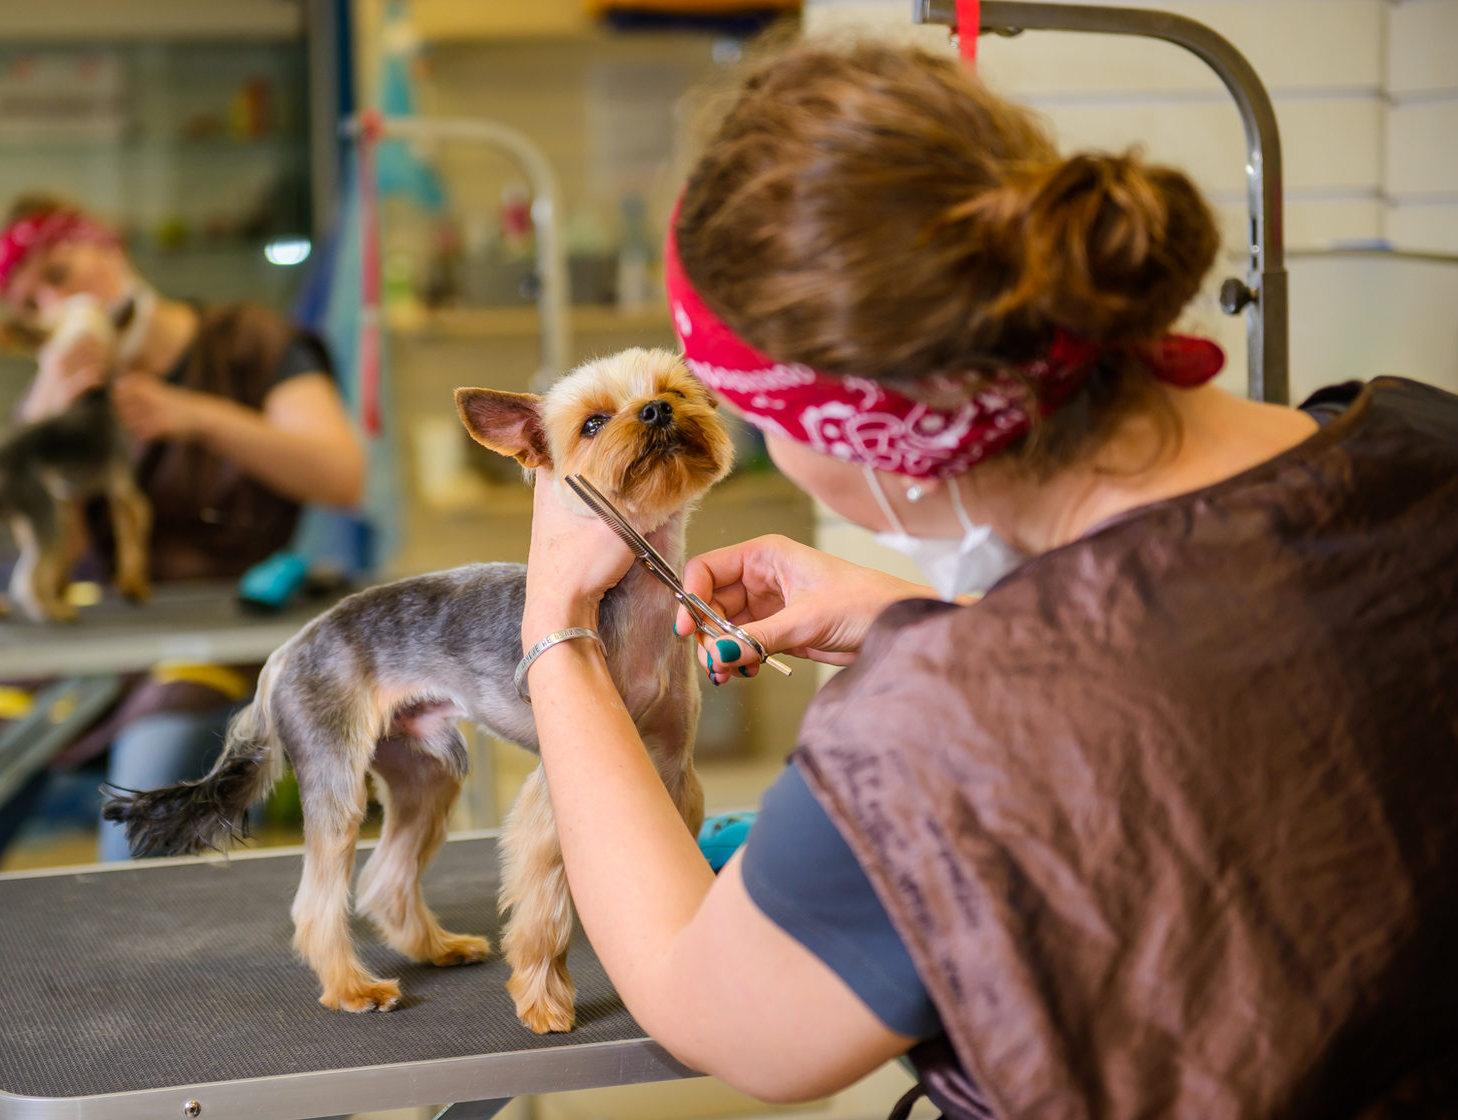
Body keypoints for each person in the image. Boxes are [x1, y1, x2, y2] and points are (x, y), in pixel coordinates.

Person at [515, 41, 1458, 1118]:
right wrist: (938, 626)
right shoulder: (1423, 433)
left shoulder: (936, 737)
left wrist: (559, 629)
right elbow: (1235, 660)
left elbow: (708, 1000)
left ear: (864, 425)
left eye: (758, 420)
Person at [0, 195, 367, 977]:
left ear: (108, 245)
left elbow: (340, 471)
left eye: (59, 275)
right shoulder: (63, 403)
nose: (56, 303)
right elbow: (56, 552)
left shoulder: (252, 344)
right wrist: (44, 420)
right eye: (31, 305)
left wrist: (192, 415)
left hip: (207, 642)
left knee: (132, 854)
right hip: (74, 640)